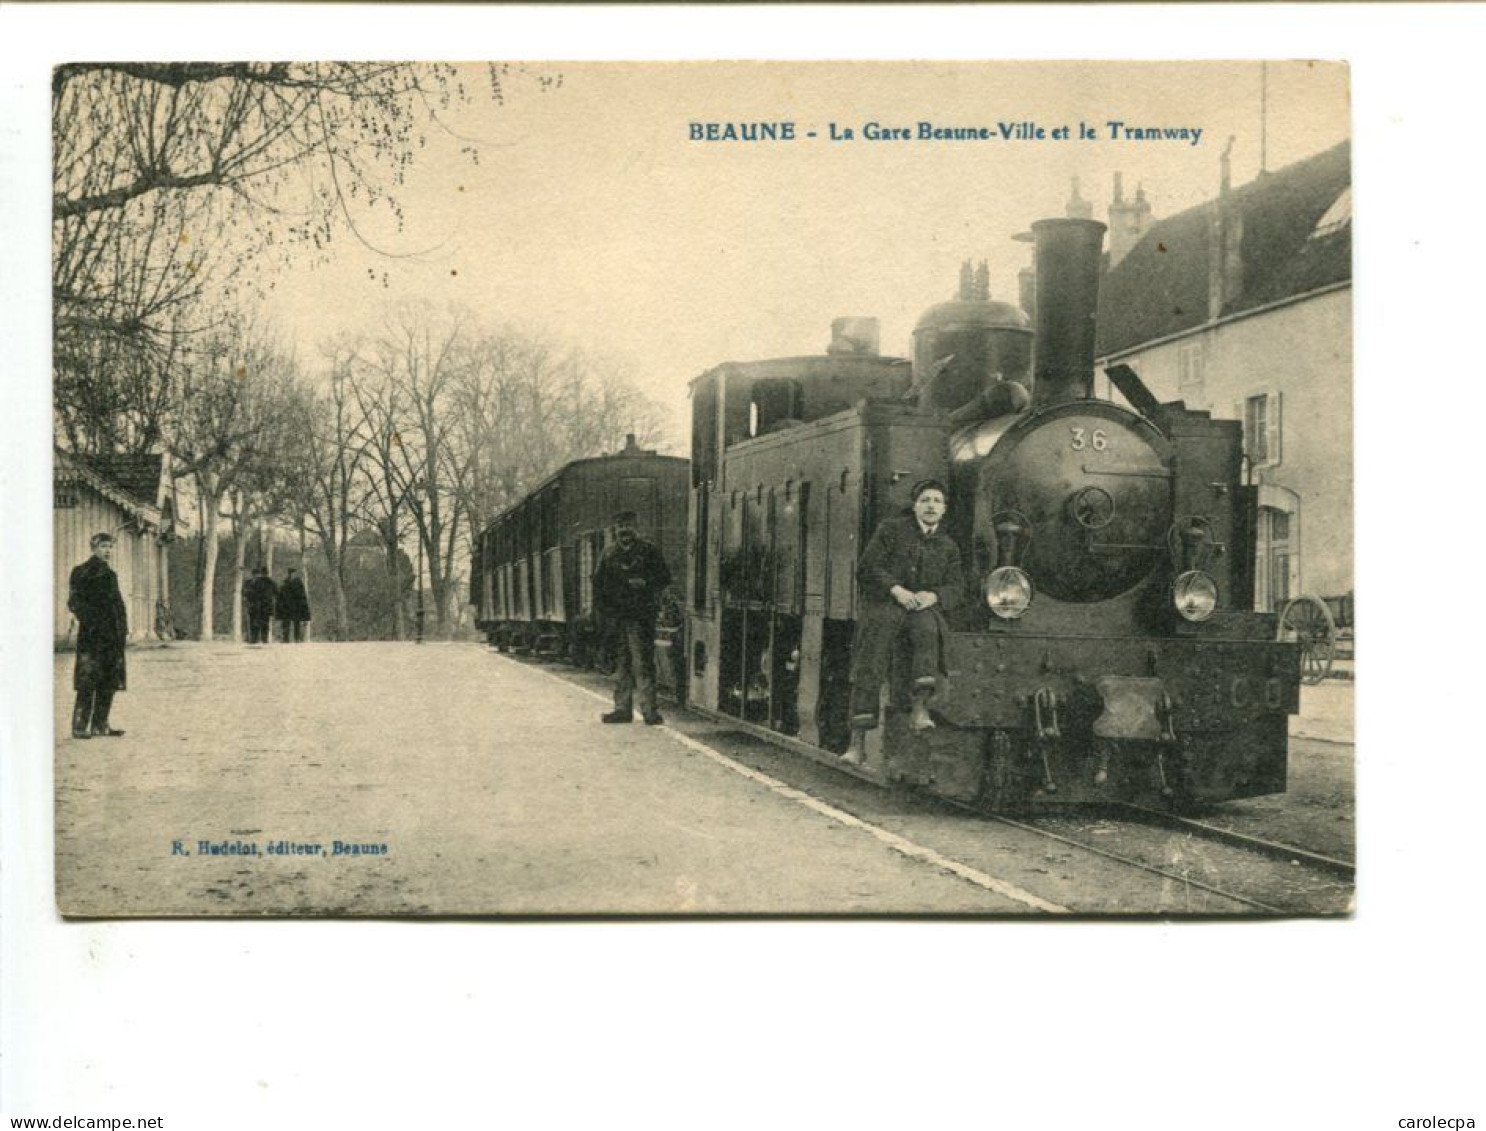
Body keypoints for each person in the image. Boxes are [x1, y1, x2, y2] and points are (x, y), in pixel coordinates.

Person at [845, 478, 965, 763]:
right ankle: (856, 743)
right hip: (886, 605)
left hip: (921, 608)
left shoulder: (947, 546)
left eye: (937, 501)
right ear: (914, 506)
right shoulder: (891, 530)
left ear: (945, 509)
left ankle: (920, 707)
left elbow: (957, 587)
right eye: (925, 500)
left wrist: (933, 596)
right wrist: (896, 591)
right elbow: (868, 568)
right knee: (870, 661)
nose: (931, 506)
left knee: (927, 629)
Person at [593, 509, 671, 726]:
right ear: (615, 531)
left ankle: (649, 711)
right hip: (617, 618)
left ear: (635, 529)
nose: (624, 531)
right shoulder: (608, 555)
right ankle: (622, 709)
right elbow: (598, 586)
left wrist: (646, 582)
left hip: (640, 616)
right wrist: (604, 613)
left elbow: (664, 577)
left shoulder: (649, 552)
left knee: (643, 663)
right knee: (621, 664)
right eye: (620, 528)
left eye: (628, 527)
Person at [68, 531, 129, 739]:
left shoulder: (111, 575)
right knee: (88, 680)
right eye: (103, 546)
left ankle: (100, 725)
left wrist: (122, 629)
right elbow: (74, 602)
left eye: (110, 546)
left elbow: (118, 605)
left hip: (112, 637)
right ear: (93, 548)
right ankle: (79, 726)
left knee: (109, 680)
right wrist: (93, 621)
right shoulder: (81, 572)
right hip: (92, 636)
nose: (108, 550)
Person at [243, 566, 278, 645]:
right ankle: (264, 639)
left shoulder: (254, 582)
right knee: (265, 622)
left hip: (256, 605)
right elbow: (277, 593)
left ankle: (254, 639)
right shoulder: (271, 582)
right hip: (266, 606)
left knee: (255, 622)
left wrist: (249, 601)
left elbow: (249, 593)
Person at [276, 567, 311, 642]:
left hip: (291, 607)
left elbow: (302, 597)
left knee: (293, 623)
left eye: (291, 573)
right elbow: (302, 596)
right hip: (292, 607)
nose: (291, 575)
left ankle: (293, 638)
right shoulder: (291, 584)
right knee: (290, 623)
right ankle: (290, 638)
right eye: (291, 573)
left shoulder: (287, 584)